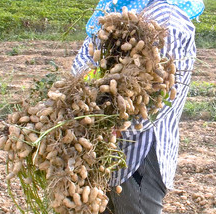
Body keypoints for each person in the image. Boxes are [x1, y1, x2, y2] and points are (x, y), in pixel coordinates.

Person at [71, 0, 204, 213]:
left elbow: (156, 96)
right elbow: (81, 64)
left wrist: (109, 121)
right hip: (96, 145)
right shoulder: (114, 9)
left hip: (138, 150)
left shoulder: (170, 20)